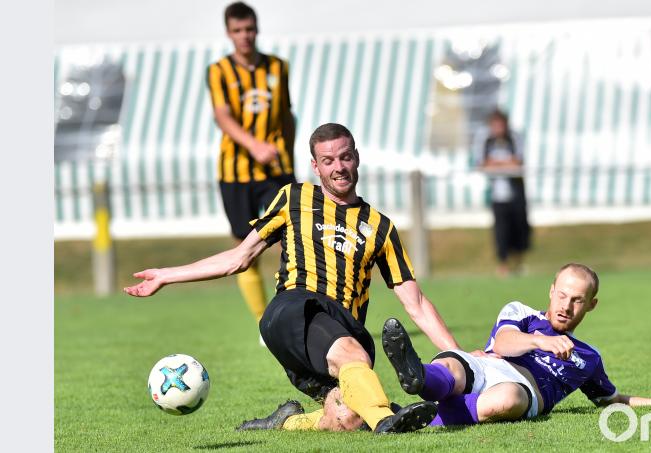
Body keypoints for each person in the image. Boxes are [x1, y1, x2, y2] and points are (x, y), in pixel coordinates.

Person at [124, 123, 460, 434]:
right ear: (316, 166)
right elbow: (238, 258)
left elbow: (416, 303)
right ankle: (386, 420)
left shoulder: (380, 227)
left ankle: (287, 421)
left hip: (344, 328)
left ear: (356, 157)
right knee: (353, 359)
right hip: (295, 308)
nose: (339, 167)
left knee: (347, 417)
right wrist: (167, 275)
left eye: (345, 157)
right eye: (328, 160)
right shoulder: (294, 198)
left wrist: (460, 357)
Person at [380, 263, 651, 426]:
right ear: (551, 290)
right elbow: (504, 343)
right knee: (452, 366)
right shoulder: (521, 312)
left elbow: (613, 400)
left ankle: (417, 417)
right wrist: (541, 341)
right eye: (562, 295)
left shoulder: (588, 358)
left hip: (522, 390)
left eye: (577, 300)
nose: (566, 306)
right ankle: (418, 377)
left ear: (591, 305)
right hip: (487, 364)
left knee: (508, 399)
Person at [207, 2, 297, 326]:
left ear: (256, 29)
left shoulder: (277, 67)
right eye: (238, 30)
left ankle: (295, 312)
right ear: (229, 33)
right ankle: (264, 321)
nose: (244, 36)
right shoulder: (219, 71)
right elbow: (222, 116)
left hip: (275, 171)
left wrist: (288, 153)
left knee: (292, 238)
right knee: (244, 246)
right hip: (236, 173)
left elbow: (286, 114)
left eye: (249, 29)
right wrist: (254, 145)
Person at [472, 109, 531, 276]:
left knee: (519, 227)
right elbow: (482, 163)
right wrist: (505, 163)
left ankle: (518, 263)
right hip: (497, 196)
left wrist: (496, 163)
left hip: (516, 193)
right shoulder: (485, 140)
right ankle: (503, 265)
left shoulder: (514, 138)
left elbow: (518, 162)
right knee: (501, 231)